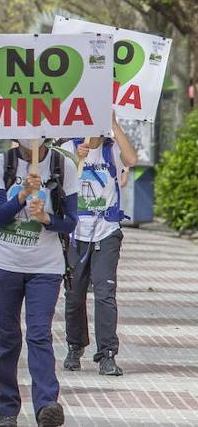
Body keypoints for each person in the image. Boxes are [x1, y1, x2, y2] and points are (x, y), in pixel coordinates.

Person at [0, 140, 78, 427]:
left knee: (39, 334)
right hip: (4, 264)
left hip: (45, 268)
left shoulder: (65, 166)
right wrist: (22, 194)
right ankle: (7, 410)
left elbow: (71, 223)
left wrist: (47, 219)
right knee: (7, 336)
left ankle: (46, 405)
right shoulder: (1, 163)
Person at [63, 116, 137, 376]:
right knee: (74, 294)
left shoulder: (111, 147)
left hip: (107, 230)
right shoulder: (69, 147)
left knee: (105, 292)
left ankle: (107, 352)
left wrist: (115, 125)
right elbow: (56, 180)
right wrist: (75, 160)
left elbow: (132, 160)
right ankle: (75, 345)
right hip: (76, 233)